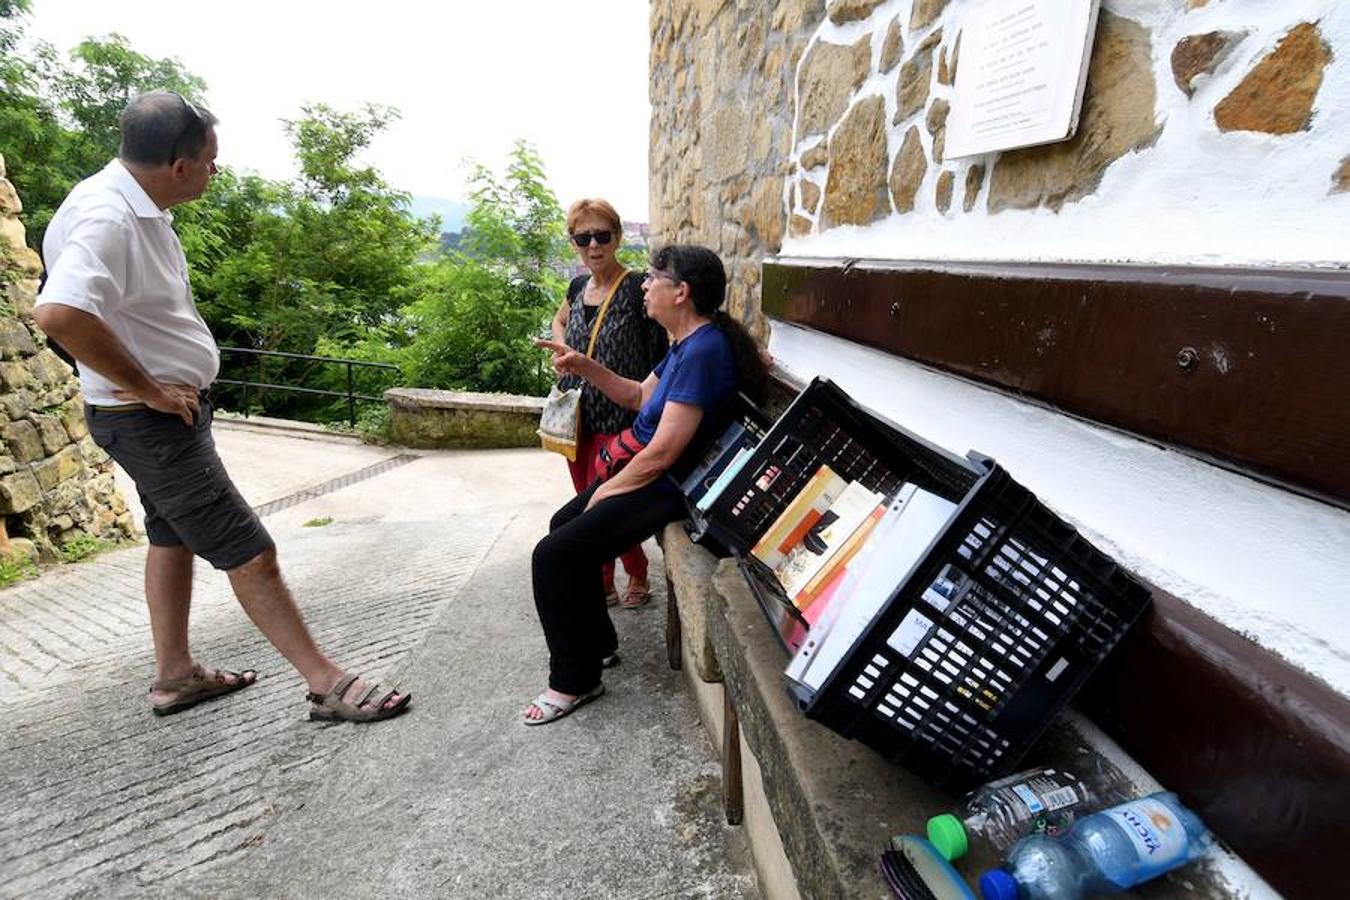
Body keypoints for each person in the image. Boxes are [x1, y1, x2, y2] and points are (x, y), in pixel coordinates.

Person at [32, 91, 409, 723]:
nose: (215, 171)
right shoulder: (108, 217)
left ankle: (175, 676)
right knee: (249, 550)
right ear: (178, 165)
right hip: (149, 420)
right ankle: (327, 683)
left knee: (170, 536)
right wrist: (151, 388)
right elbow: (58, 312)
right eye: (211, 161)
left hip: (156, 416)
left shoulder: (134, 203)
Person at [526, 245, 769, 724]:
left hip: (672, 486)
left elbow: (662, 453)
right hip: (650, 471)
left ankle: (572, 680)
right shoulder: (686, 342)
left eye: (653, 277)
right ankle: (596, 646)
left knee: (553, 554)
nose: (643, 285)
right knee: (562, 526)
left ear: (680, 292)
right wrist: (583, 365)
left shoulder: (702, 351)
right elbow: (639, 396)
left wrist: (604, 491)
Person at [549, 199, 667, 609]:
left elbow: (664, 344)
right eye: (584, 238)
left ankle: (636, 570)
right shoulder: (578, 287)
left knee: (611, 500)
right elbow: (559, 320)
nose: (593, 245)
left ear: (617, 237)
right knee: (583, 498)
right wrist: (562, 350)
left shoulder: (637, 289)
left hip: (622, 413)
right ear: (574, 243)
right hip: (578, 415)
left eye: (602, 235)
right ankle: (602, 580)